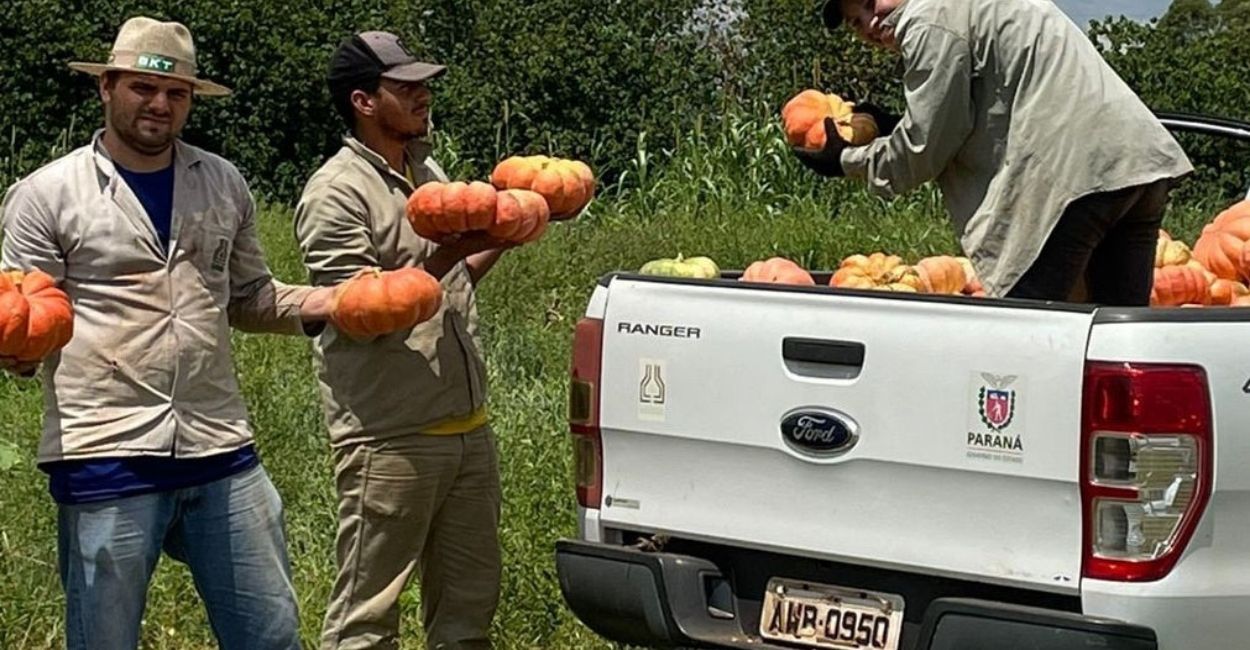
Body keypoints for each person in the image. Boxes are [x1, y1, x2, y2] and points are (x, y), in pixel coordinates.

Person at [0, 16, 340, 650]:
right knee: (104, 640)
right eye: (142, 88)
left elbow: (249, 297)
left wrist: (339, 303)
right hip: (106, 450)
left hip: (219, 446)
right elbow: (24, 309)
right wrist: (19, 354)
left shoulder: (222, 182)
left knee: (271, 635)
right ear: (106, 87)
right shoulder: (47, 194)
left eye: (176, 93)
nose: (159, 104)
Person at [293, 31, 509, 650]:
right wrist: (450, 251)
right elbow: (361, 311)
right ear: (363, 100)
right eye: (405, 86)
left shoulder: (426, 172)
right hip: (390, 435)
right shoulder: (334, 193)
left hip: (465, 427)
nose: (423, 95)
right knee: (367, 618)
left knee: (468, 611)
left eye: (424, 83)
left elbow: (455, 278)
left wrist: (512, 230)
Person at [794, 0, 1195, 304]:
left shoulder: (928, 19)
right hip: (1136, 167)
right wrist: (896, 124)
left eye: (869, 3)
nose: (871, 24)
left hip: (1076, 183)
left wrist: (844, 161)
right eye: (856, 22)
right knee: (1112, 340)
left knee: (1031, 339)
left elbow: (924, 150)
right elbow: (977, 113)